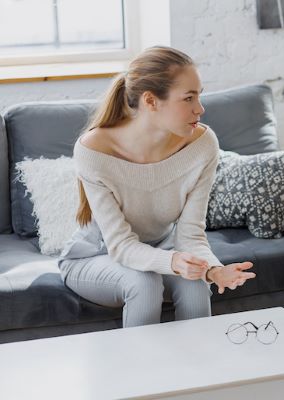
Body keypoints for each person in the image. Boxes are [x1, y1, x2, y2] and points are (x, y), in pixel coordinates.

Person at [58, 46, 255, 328]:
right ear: (151, 101)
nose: (200, 108)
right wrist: (174, 262)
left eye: (199, 95)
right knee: (145, 283)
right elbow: (121, 246)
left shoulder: (202, 145)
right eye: (189, 98)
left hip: (162, 249)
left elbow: (191, 235)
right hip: (94, 257)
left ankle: (203, 370)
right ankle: (140, 372)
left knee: (195, 284)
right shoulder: (94, 150)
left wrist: (212, 271)